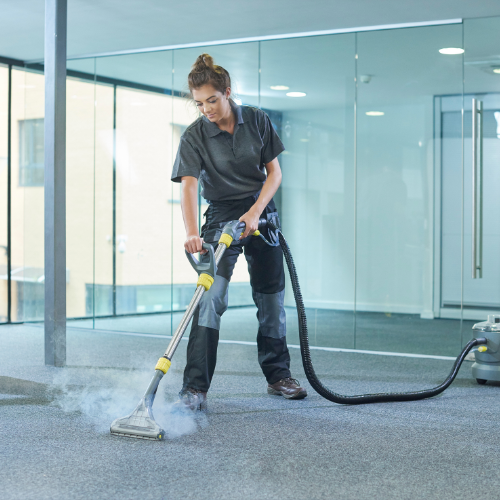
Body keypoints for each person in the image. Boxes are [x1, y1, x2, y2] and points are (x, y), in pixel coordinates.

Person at [171, 53, 307, 411]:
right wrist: (191, 233)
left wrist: (255, 212)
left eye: (212, 100)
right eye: (199, 103)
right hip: (220, 215)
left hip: (260, 210)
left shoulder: (258, 120)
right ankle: (194, 388)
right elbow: (187, 186)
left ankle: (279, 377)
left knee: (271, 298)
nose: (206, 109)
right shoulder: (194, 135)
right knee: (210, 297)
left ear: (228, 92)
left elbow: (274, 173)